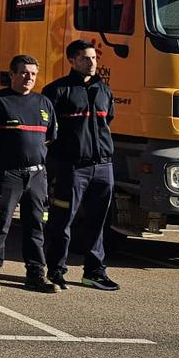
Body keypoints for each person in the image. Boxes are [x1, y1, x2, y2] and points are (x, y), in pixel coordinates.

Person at [43, 40, 120, 291]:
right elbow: (47, 131)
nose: (92, 63)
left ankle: (94, 271)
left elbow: (108, 119)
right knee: (62, 220)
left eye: (94, 58)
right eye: (86, 59)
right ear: (72, 61)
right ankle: (56, 269)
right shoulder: (57, 91)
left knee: (97, 222)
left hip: (103, 166)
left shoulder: (104, 90)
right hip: (72, 168)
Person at [0, 54, 58, 292]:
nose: (28, 78)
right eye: (23, 72)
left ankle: (35, 273)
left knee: (36, 225)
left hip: (36, 176)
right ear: (11, 75)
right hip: (6, 174)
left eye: (33, 74)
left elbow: (50, 138)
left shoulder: (44, 103)